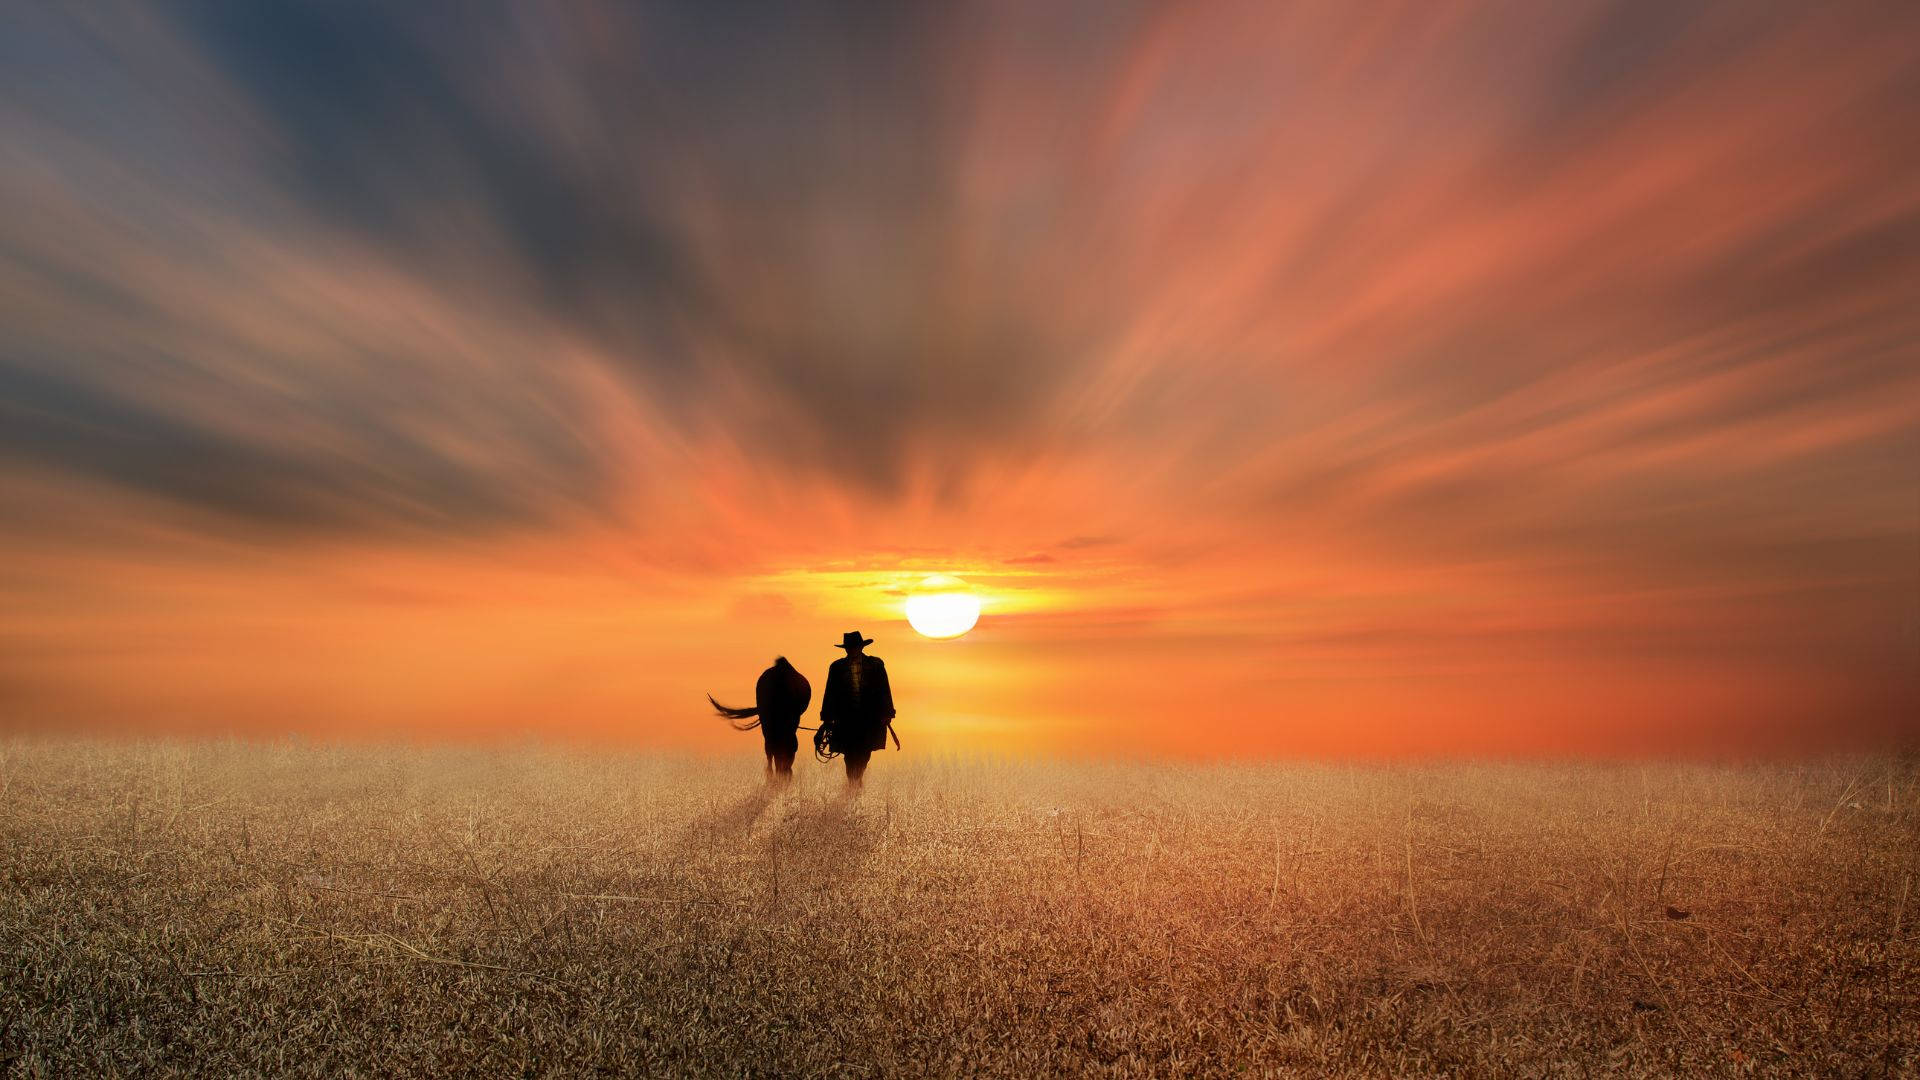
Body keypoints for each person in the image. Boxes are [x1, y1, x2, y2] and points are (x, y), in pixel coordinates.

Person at [707, 656, 811, 781]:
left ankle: (771, 765)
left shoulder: (767, 679)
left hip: (775, 717)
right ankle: (782, 770)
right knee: (787, 739)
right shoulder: (796, 681)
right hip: (788, 717)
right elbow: (800, 705)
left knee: (772, 738)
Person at [816, 630, 896, 785]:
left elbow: (884, 690)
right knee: (849, 754)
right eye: (849, 647)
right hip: (845, 719)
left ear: (861, 647)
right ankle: (854, 781)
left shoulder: (876, 665)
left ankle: (856, 779)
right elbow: (829, 693)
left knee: (865, 753)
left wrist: (887, 712)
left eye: (854, 647)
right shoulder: (836, 668)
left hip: (869, 719)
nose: (851, 650)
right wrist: (826, 717)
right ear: (846, 649)